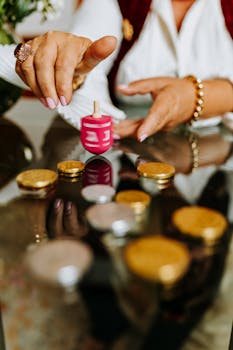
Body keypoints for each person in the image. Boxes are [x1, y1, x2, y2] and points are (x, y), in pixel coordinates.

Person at [0, 0, 233, 140]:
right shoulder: (116, 3)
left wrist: (200, 97)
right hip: (126, 168)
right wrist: (73, 67)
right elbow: (90, 44)